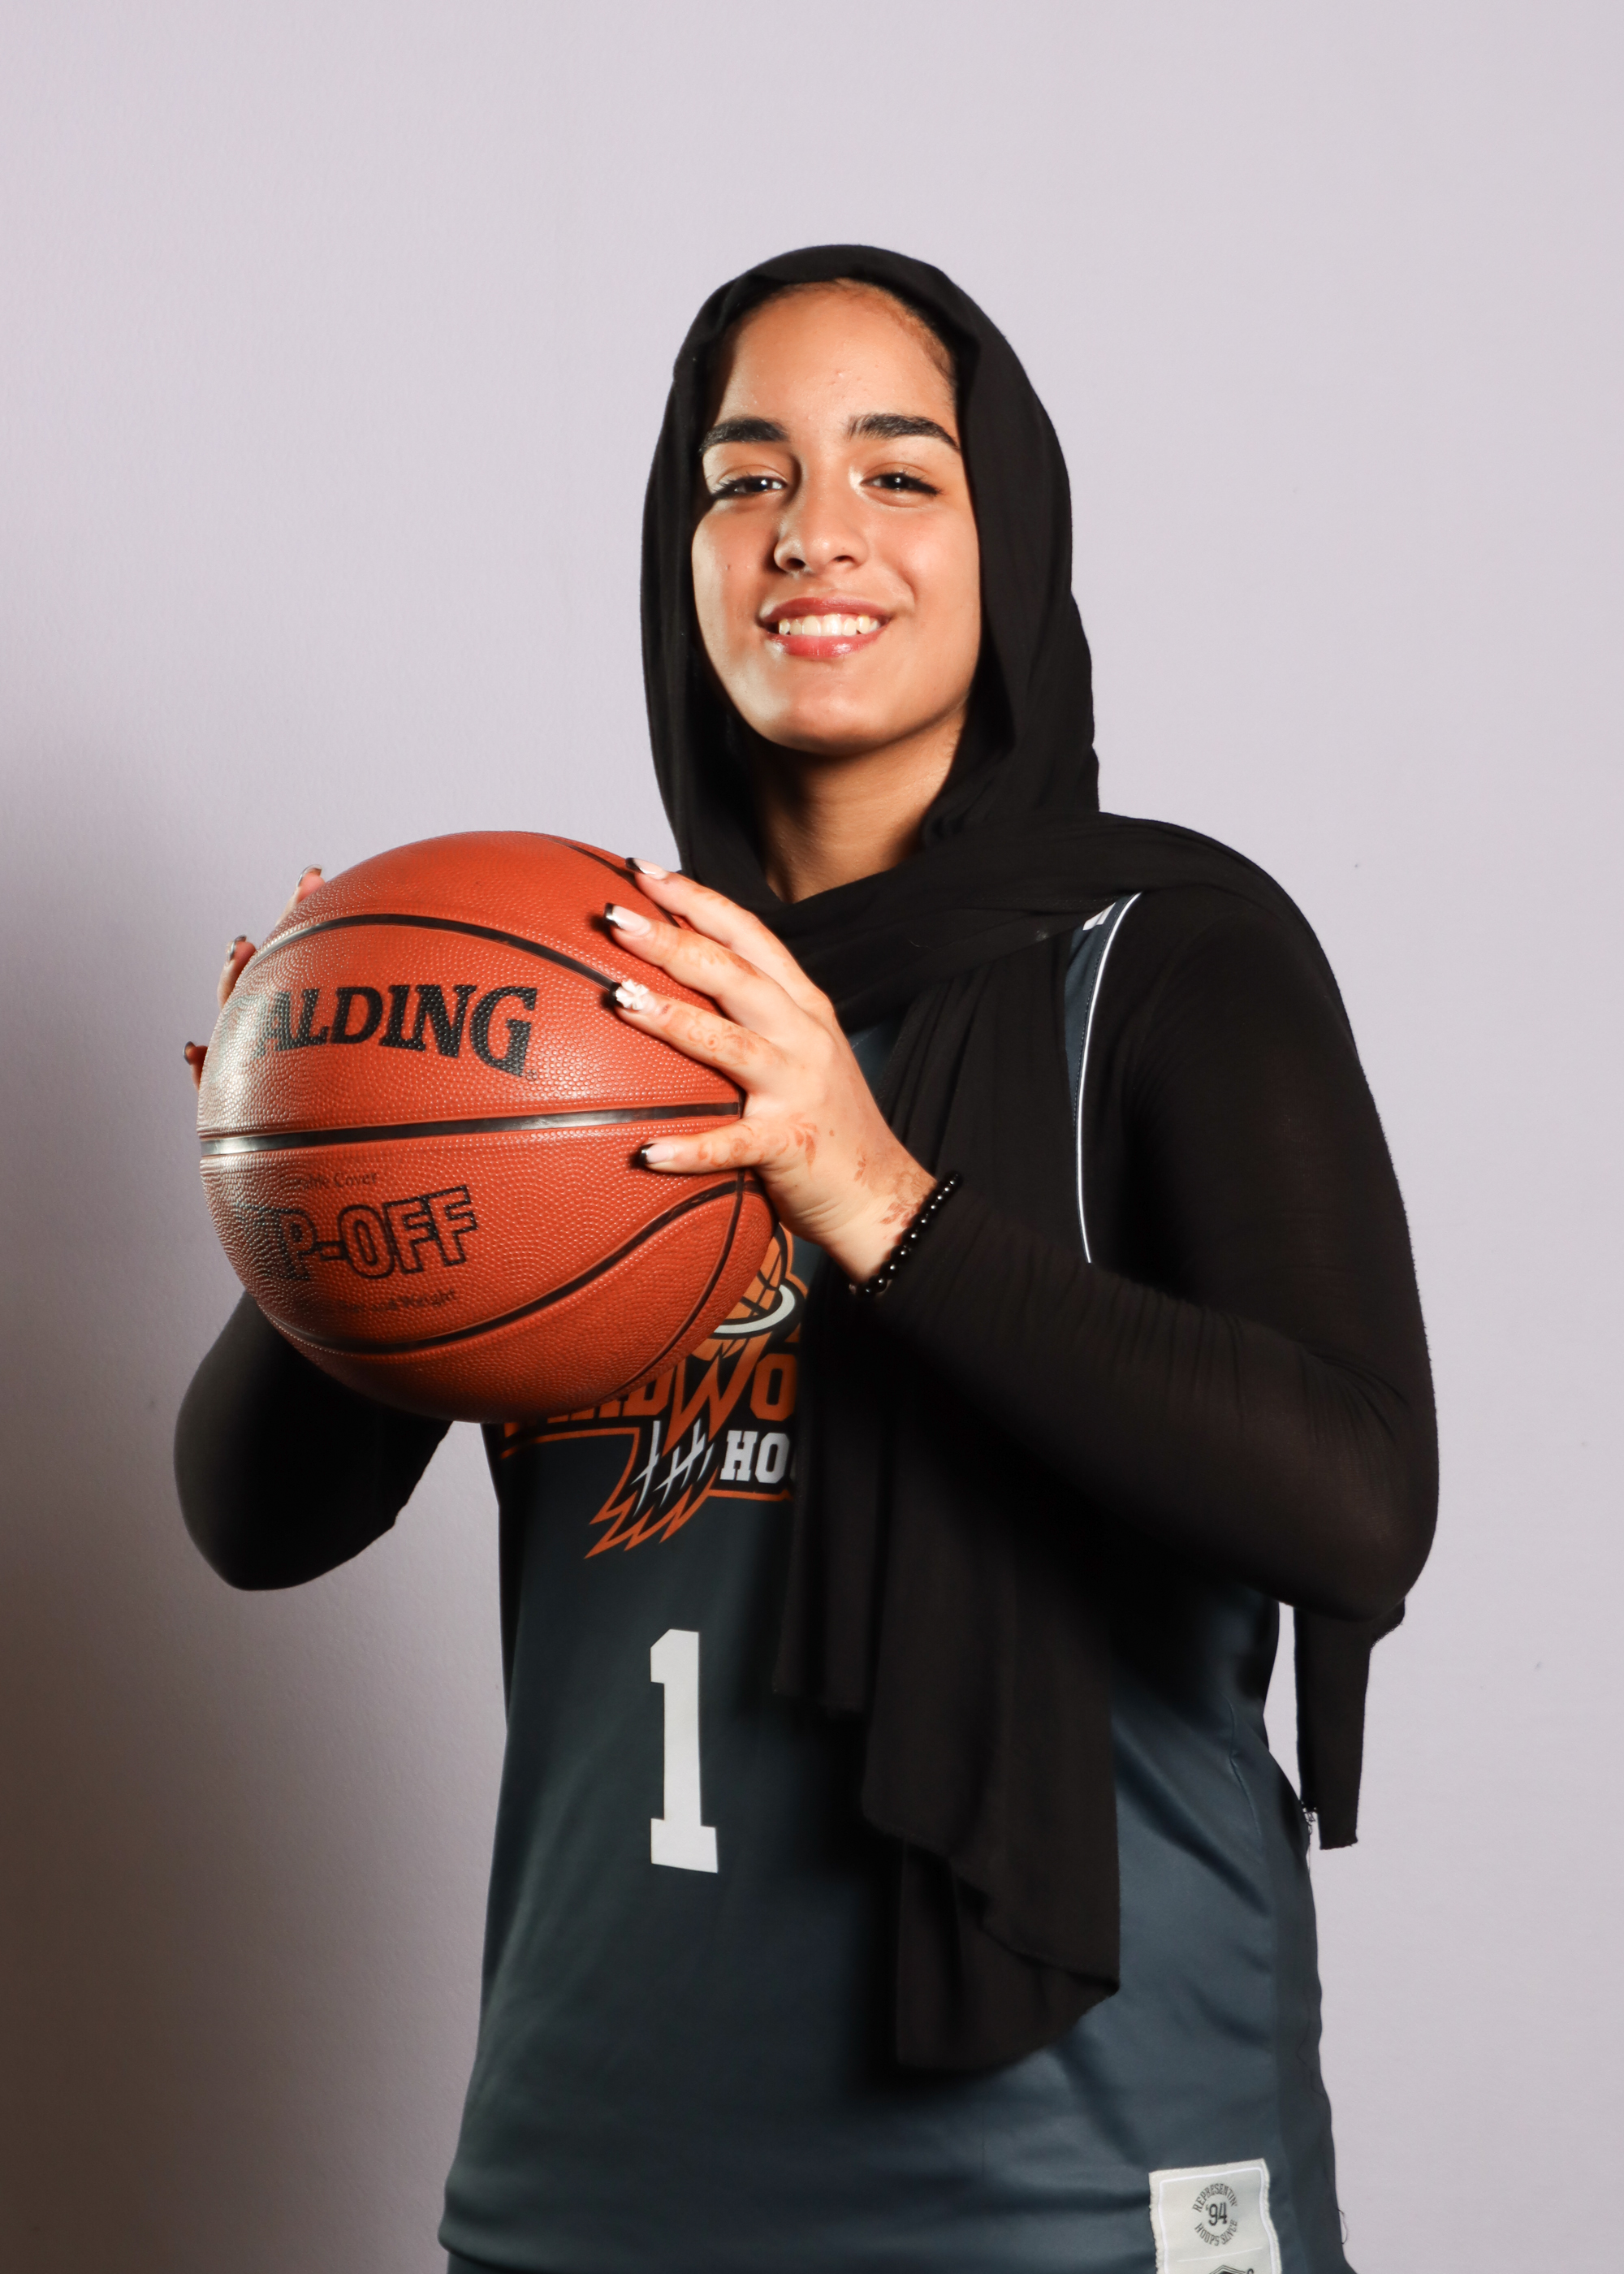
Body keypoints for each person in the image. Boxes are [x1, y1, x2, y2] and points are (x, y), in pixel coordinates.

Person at [176, 246, 1436, 2274]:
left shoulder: (1169, 959)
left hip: (1075, 2181)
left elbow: (1359, 1505)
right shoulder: (567, 1008)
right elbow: (250, 1522)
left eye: (897, 471)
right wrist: (320, 1163)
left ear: (1010, 540)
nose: (809, 531)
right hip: (594, 2170)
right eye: (743, 475)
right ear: (679, 549)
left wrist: (881, 1201)